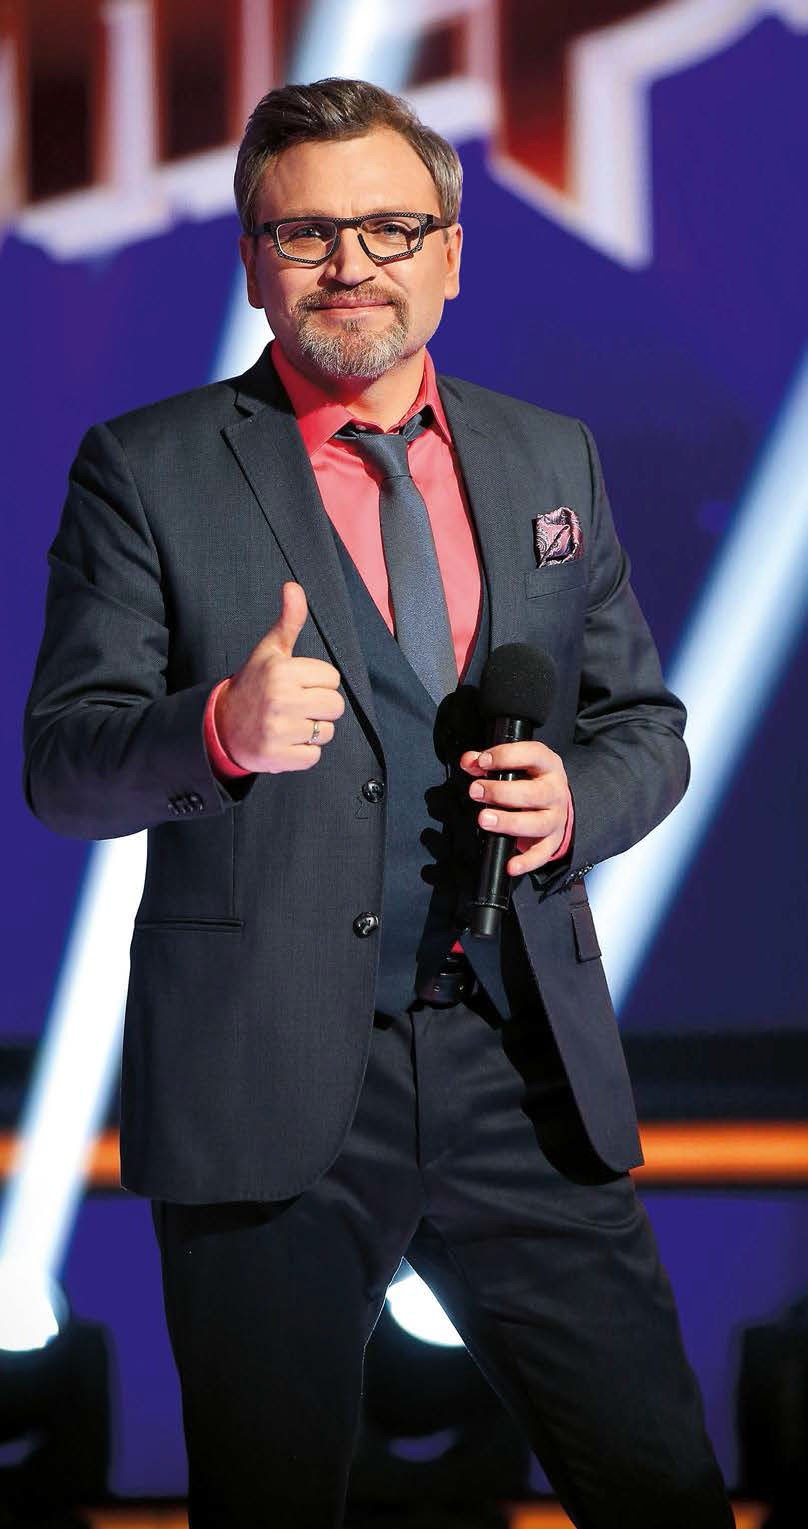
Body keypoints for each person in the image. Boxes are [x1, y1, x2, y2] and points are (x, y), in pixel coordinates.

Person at [24, 78, 733, 1529]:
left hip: (521, 1071)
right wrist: (215, 732)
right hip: (265, 1083)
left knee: (662, 1491)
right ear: (253, 262)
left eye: (391, 227)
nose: (351, 263)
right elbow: (64, 767)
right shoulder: (148, 469)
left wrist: (573, 804)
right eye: (307, 234)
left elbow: (644, 728)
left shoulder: (548, 458)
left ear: (451, 253)